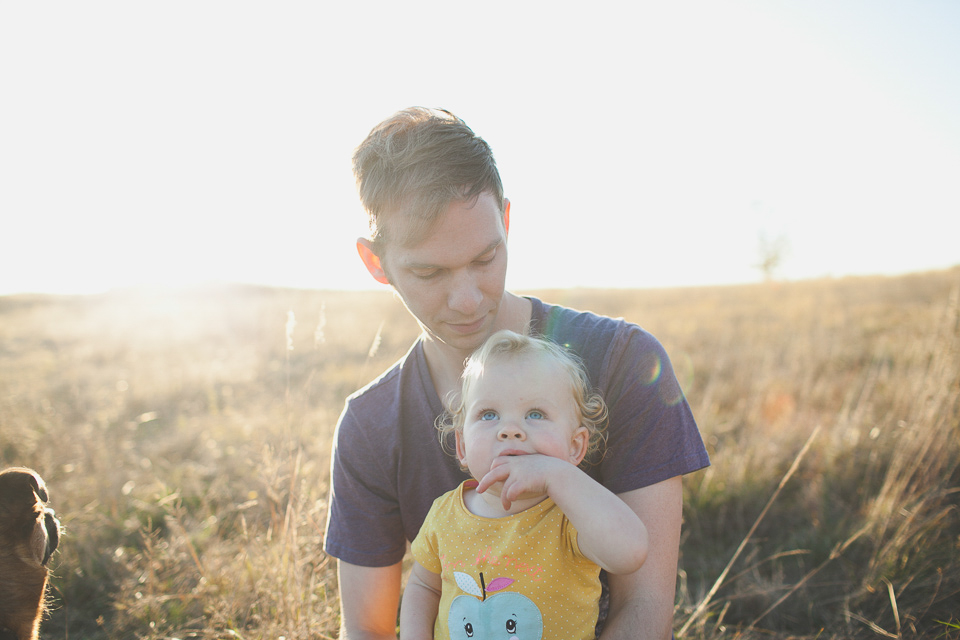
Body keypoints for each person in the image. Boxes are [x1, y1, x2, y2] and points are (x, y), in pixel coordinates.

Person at [323, 107, 710, 640]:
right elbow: (366, 630)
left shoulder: (626, 361)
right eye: (429, 272)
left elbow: (644, 610)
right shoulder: (370, 425)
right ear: (376, 264)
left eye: (486, 258)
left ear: (506, 221)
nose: (466, 300)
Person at [400, 330, 649, 640]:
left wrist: (557, 476)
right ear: (462, 445)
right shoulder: (445, 513)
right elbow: (424, 586)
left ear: (575, 446)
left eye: (536, 414)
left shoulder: (571, 514)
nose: (510, 430)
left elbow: (630, 552)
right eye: (489, 414)